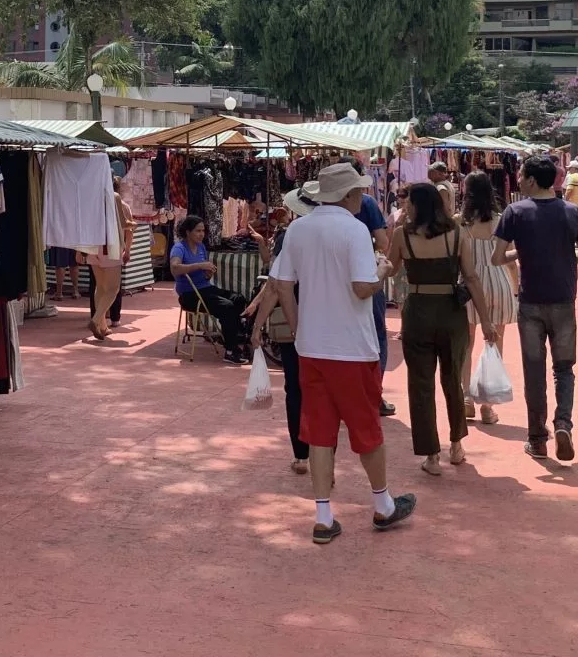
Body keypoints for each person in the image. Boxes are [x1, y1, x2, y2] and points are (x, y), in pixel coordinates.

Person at [269, 163, 417, 544]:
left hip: (313, 346)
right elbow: (362, 288)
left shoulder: (298, 229)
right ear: (349, 195)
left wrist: (300, 327)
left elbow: (282, 284)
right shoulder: (353, 229)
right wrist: (383, 271)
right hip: (351, 347)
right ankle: (382, 505)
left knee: (319, 431)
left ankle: (323, 514)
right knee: (365, 427)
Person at [491, 153, 578, 463]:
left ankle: (537, 439)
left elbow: (497, 257)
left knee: (534, 372)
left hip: (531, 302)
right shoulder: (572, 212)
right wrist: (562, 252)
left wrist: (521, 254)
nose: (519, 180)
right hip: (563, 301)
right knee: (564, 369)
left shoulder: (515, 212)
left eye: (522, 176)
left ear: (533, 180)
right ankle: (563, 424)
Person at [387, 182, 497, 474]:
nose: (405, 206)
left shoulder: (401, 236)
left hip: (418, 311)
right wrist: (485, 320)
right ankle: (457, 444)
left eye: (409, 201)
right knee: (452, 380)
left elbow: (390, 268)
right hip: (451, 313)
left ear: (418, 205)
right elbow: (471, 278)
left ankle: (432, 454)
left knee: (420, 383)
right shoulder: (457, 234)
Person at [249, 189, 314, 474]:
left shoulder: (292, 235)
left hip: (293, 323)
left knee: (295, 389)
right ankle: (325, 459)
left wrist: (257, 325)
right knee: (322, 392)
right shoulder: (343, 232)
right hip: (328, 322)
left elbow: (276, 284)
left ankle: (302, 454)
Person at [457, 171, 519, 425]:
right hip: (499, 282)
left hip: (471, 285)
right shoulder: (501, 220)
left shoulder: (459, 223)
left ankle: (467, 398)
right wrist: (516, 287)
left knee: (466, 344)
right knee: (495, 343)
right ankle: (488, 404)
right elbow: (510, 261)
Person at [170, 216, 251, 366]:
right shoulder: (179, 248)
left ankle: (233, 338)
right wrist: (200, 266)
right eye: (197, 231)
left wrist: (208, 272)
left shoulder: (201, 247)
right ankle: (231, 351)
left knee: (238, 298)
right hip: (189, 294)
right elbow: (175, 268)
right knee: (226, 307)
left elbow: (205, 275)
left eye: (203, 231)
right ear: (188, 232)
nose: (201, 234)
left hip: (205, 288)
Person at [350, 164, 394, 417]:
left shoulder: (321, 204)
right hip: (367, 273)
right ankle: (373, 394)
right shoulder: (366, 203)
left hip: (336, 277)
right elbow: (383, 241)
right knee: (376, 333)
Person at [86, 177, 134, 340]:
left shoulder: (90, 198)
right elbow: (124, 223)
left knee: (100, 286)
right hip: (110, 246)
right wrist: (132, 224)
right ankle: (96, 319)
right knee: (113, 288)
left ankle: (102, 325)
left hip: (94, 245)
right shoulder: (115, 197)